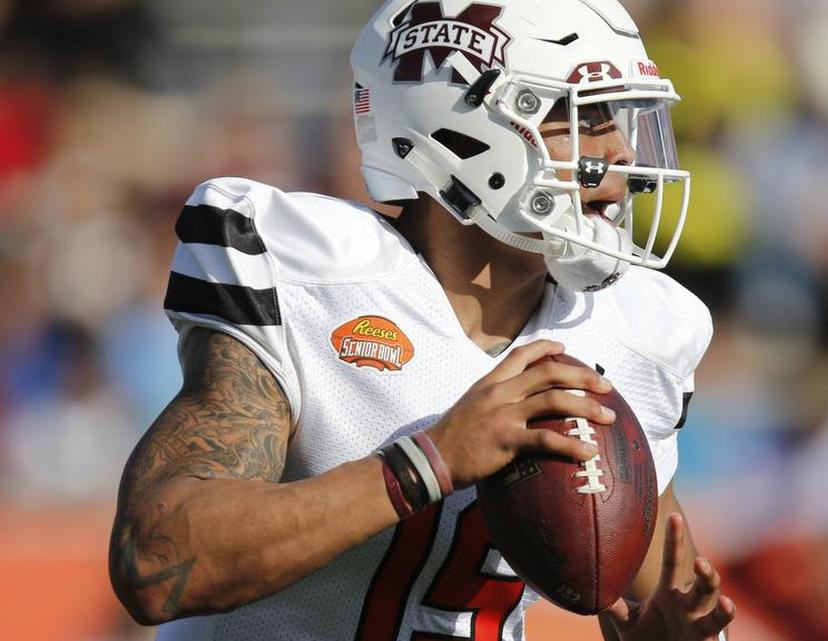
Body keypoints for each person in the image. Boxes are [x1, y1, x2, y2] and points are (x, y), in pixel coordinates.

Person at [109, 1, 734, 640]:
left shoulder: (633, 332)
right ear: (462, 129)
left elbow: (668, 609)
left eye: (620, 118)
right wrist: (429, 462)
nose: (622, 150)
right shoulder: (313, 279)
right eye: (583, 117)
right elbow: (154, 561)